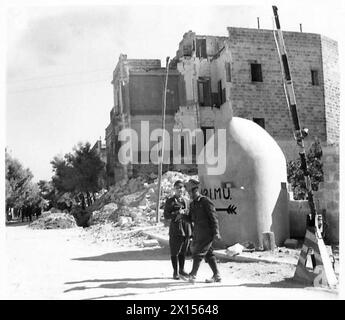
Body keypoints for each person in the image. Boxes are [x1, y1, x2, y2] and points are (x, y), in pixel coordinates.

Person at [184, 179, 221, 283]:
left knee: (198, 253)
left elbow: (214, 217)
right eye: (188, 192)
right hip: (199, 233)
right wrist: (182, 216)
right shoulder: (192, 204)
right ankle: (216, 275)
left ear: (196, 190)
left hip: (207, 233)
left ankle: (193, 274)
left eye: (190, 191)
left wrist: (216, 232)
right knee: (208, 254)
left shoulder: (205, 201)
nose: (189, 194)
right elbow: (191, 219)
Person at [163, 180, 192, 280]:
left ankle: (182, 270)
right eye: (178, 188)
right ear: (174, 189)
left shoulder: (187, 200)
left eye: (181, 187)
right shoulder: (170, 201)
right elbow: (166, 215)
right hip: (176, 228)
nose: (180, 189)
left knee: (183, 251)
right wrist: (176, 213)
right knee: (175, 251)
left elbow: (190, 213)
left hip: (186, 228)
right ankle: (175, 272)